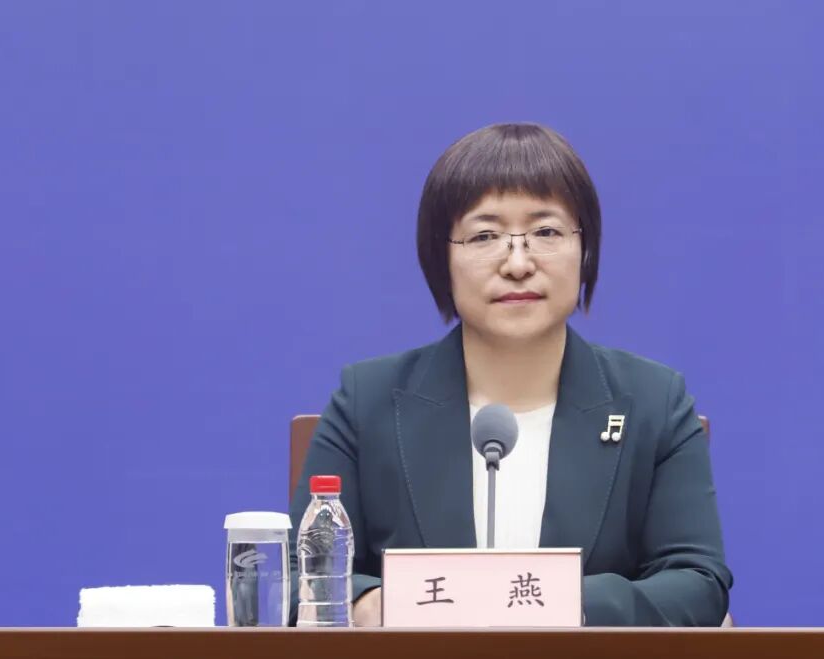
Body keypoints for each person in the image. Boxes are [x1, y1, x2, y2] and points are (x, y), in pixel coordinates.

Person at [288, 123, 732, 626]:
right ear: (440, 258)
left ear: (585, 249)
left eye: (546, 232)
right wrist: (370, 603)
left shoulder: (653, 402)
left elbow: (698, 582)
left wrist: (548, 604)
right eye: (485, 236)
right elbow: (300, 573)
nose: (518, 264)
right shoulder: (368, 401)